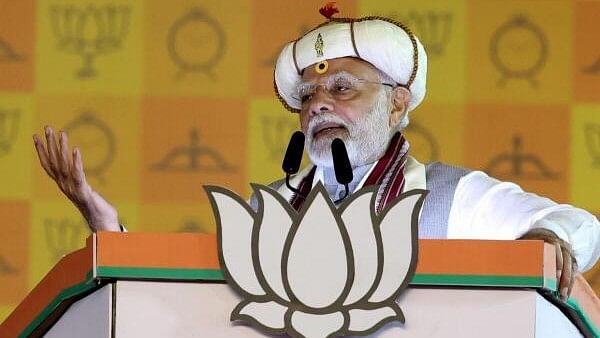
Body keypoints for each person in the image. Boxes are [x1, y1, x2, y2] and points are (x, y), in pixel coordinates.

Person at [33, 11, 599, 306]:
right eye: (308, 98)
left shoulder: (456, 199)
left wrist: (549, 244)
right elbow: (184, 302)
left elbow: (579, 228)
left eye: (343, 90)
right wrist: (112, 235)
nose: (319, 106)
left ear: (398, 104)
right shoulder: (273, 212)